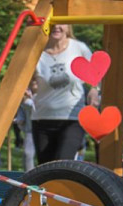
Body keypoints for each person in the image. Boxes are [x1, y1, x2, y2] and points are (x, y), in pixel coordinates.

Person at [31, 22, 92, 163]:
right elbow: (24, 81)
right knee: (45, 168)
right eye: (52, 23)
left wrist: (94, 90)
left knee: (62, 163)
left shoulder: (78, 48)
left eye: (61, 23)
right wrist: (27, 91)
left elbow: (95, 73)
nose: (56, 27)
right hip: (42, 118)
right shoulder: (36, 52)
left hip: (72, 117)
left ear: (68, 26)